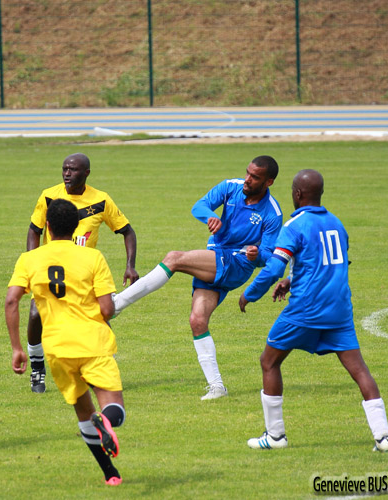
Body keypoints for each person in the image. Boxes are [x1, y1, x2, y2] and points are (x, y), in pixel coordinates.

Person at [238, 169, 388, 452]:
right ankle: (384, 436)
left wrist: (250, 294)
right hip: (339, 311)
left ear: (297, 194)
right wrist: (292, 280)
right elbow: (329, 265)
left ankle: (275, 437)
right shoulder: (337, 223)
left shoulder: (294, 225)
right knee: (359, 370)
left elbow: (274, 267)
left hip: (306, 309)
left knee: (269, 361)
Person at [113, 155, 283, 400]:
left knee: (174, 258)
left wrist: (256, 255)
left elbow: (269, 255)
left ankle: (118, 305)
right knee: (197, 320)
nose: (247, 179)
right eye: (247, 172)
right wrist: (210, 217)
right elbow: (199, 206)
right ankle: (217, 387)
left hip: (236, 263)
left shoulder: (272, 213)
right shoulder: (230, 187)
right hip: (215, 258)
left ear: (269, 182)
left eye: (255, 177)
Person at [6, 199, 126, 486]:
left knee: (83, 411)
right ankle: (106, 421)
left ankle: (110, 473)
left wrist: (18, 348)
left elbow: (12, 300)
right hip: (92, 342)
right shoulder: (92, 257)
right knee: (115, 410)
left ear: (47, 226)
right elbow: (107, 309)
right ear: (75, 229)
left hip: (56, 347)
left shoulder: (29, 259)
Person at [25, 153, 138, 393]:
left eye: (73, 169)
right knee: (36, 314)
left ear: (86, 173)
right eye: (64, 168)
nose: (67, 173)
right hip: (52, 269)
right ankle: (37, 368)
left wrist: (130, 264)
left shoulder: (101, 200)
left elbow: (127, 231)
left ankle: (102, 366)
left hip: (85, 272)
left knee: (98, 318)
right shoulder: (49, 196)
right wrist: (32, 262)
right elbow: (34, 230)